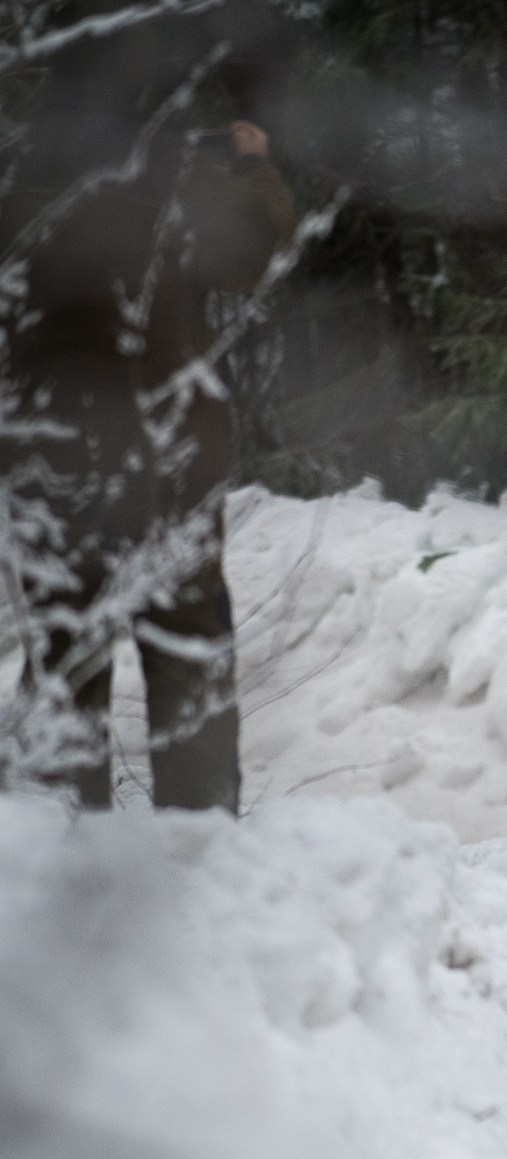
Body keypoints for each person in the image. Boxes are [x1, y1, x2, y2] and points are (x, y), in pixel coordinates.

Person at [2, 18, 296, 812]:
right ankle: (198, 847)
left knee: (64, 658)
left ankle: (57, 854)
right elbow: (255, 255)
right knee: (186, 656)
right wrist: (257, 168)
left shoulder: (21, 175)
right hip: (168, 463)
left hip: (49, 467)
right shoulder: (168, 174)